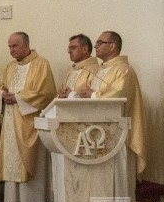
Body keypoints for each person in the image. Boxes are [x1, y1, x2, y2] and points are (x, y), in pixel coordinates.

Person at [0, 32, 56, 202]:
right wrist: (1, 95)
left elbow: (46, 93)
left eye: (15, 46)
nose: (11, 50)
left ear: (26, 45)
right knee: (12, 163)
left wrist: (18, 98)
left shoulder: (41, 64)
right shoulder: (9, 67)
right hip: (11, 121)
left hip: (30, 122)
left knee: (32, 162)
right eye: (10, 46)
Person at [77, 31, 146, 181]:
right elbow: (85, 91)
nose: (95, 46)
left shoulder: (123, 70)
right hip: (95, 132)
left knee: (115, 179)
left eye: (100, 42)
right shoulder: (98, 70)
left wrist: (92, 95)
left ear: (113, 46)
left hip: (116, 134)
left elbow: (119, 94)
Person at [58, 34, 99, 98]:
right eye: (69, 49)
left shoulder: (95, 69)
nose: (69, 52)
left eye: (73, 47)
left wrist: (71, 95)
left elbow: (94, 96)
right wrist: (60, 95)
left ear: (85, 49)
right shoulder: (70, 72)